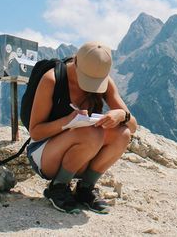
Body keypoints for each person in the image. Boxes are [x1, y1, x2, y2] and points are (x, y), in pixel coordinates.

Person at [25, 41, 137, 214]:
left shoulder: (105, 82)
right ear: (75, 61)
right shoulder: (52, 79)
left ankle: (86, 188)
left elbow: (133, 126)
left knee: (123, 133)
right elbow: (35, 132)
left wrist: (122, 115)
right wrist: (68, 122)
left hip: (82, 152)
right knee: (92, 133)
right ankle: (58, 187)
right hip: (44, 154)